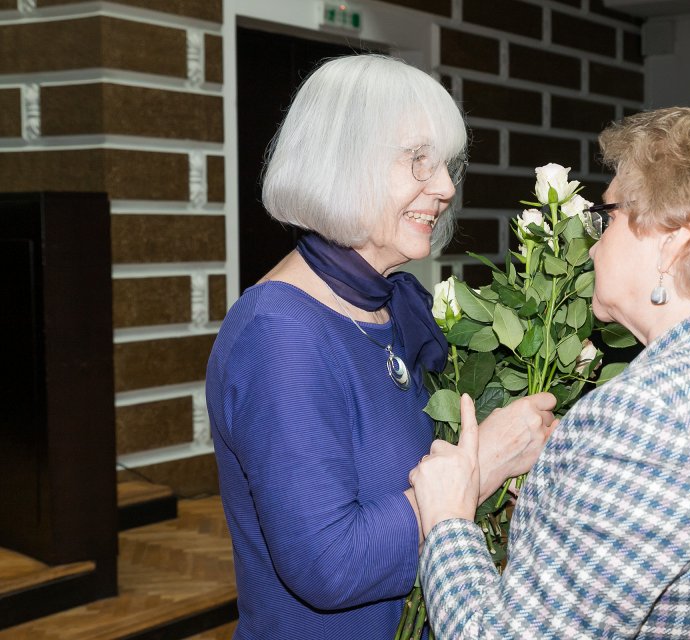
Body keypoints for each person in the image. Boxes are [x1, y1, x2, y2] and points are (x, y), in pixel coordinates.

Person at [410, 107, 690, 639]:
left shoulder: (648, 417)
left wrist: (450, 518)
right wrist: (571, 491)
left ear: (674, 239)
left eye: (607, 217)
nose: (595, 241)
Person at [205, 54, 555, 639]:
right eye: (418, 161)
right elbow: (330, 567)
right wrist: (480, 466)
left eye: (445, 164)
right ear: (343, 163)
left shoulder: (391, 304)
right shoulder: (280, 332)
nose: (444, 188)